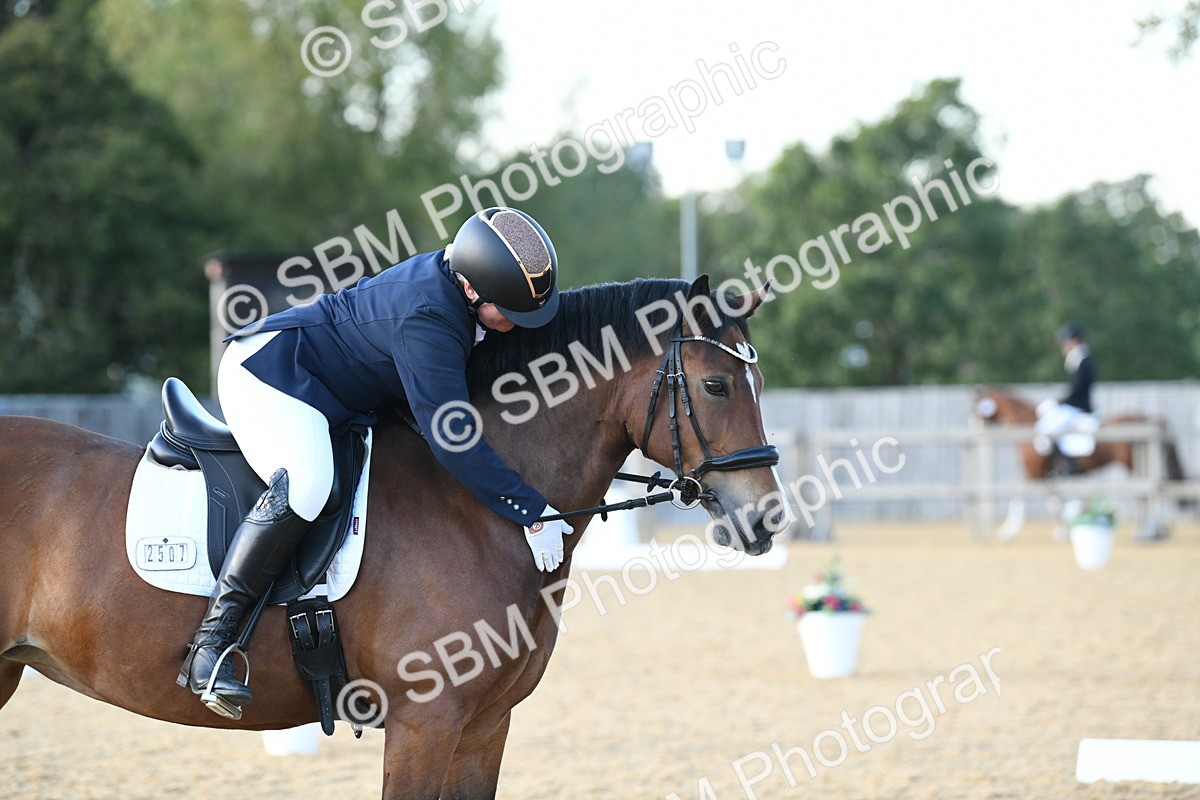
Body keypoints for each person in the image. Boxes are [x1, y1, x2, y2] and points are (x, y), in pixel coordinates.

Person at [178, 207, 575, 718]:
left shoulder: (460, 289)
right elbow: (451, 438)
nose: (515, 327)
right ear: (474, 290)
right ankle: (212, 646)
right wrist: (528, 509)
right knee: (308, 484)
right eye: (511, 313)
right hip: (271, 375)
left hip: (329, 389)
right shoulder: (428, 320)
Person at [1033, 322, 1099, 475]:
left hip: (1078, 406)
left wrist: (1058, 402)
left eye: (1066, 341)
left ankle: (1065, 465)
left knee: (1045, 428)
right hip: (1073, 404)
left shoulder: (1083, 360)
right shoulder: (1076, 359)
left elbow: (1077, 389)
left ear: (1073, 340)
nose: (1064, 345)